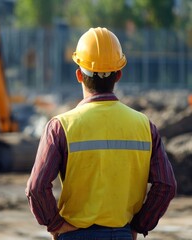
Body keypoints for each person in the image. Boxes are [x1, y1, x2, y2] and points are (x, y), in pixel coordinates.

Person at [26, 27, 176, 240]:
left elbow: (36, 187)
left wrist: (56, 224)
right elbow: (166, 185)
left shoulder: (61, 127)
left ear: (79, 74)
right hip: (123, 234)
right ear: (119, 75)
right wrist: (138, 225)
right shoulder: (145, 127)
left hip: (75, 235)